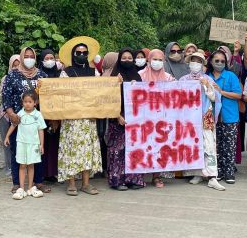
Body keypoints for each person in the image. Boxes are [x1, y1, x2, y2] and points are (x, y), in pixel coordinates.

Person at [58, 40, 103, 196]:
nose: (82, 55)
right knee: (71, 150)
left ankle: (85, 184)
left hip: (89, 118)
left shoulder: (94, 72)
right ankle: (71, 183)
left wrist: (115, 82)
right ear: (73, 55)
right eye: (79, 53)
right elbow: (61, 94)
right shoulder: (66, 73)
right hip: (71, 119)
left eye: (85, 53)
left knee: (87, 151)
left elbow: (101, 91)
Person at [1, 47, 46, 193]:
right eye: (26, 56)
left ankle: (38, 182)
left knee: (37, 151)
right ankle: (17, 183)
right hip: (18, 119)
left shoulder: (42, 75)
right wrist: (11, 113)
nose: (29, 58)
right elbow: (6, 96)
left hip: (36, 121)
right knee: (17, 152)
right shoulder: (13, 75)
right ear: (21, 58)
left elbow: (50, 95)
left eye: (31, 56)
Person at [180, 51, 225, 191]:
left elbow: (214, 98)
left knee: (209, 146)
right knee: (194, 146)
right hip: (189, 120)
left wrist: (206, 86)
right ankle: (198, 174)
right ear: (189, 63)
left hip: (205, 118)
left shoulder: (208, 79)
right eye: (193, 60)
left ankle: (212, 177)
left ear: (202, 64)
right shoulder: (183, 80)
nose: (196, 64)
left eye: (199, 61)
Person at [106, 48, 145, 190]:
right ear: (119, 60)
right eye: (124, 58)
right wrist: (118, 116)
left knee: (134, 148)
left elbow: (144, 99)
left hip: (135, 118)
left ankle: (133, 179)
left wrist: (137, 87)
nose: (127, 60)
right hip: (118, 117)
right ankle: (118, 180)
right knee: (117, 151)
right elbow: (109, 99)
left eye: (130, 58)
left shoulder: (138, 76)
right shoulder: (114, 76)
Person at [137, 48, 175, 187]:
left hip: (161, 119)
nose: (157, 62)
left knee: (159, 147)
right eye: (155, 59)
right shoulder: (140, 75)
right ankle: (140, 175)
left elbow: (176, 94)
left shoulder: (169, 78)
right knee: (143, 146)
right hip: (143, 118)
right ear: (149, 60)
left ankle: (156, 176)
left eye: (160, 60)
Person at [4, 90, 47, 200]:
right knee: (22, 165)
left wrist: (42, 144)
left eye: (30, 101)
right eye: (25, 101)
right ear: (22, 102)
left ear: (35, 103)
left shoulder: (38, 115)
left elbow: (41, 130)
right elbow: (13, 125)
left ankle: (30, 187)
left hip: (33, 144)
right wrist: (7, 136)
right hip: (22, 143)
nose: (27, 104)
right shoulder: (20, 114)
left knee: (31, 165)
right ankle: (21, 188)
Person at [208, 48, 242, 184]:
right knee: (216, 146)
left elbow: (238, 95)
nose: (220, 63)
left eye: (222, 61)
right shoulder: (207, 77)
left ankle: (229, 172)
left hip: (230, 117)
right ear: (211, 61)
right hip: (211, 117)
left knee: (229, 147)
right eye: (217, 60)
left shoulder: (231, 76)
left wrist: (221, 92)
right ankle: (218, 171)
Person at [37, 48, 62, 183]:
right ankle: (41, 173)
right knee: (42, 144)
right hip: (41, 115)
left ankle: (52, 173)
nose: (49, 61)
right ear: (41, 60)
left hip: (57, 116)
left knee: (54, 145)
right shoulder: (38, 75)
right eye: (46, 59)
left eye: (51, 58)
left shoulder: (59, 75)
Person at [0, 55, 20, 174]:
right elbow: (3, 96)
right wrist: (11, 112)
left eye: (18, 65)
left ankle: (19, 167)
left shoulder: (24, 78)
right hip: (5, 116)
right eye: (14, 66)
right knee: (7, 142)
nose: (16, 68)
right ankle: (9, 168)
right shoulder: (5, 79)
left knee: (18, 143)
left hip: (21, 115)